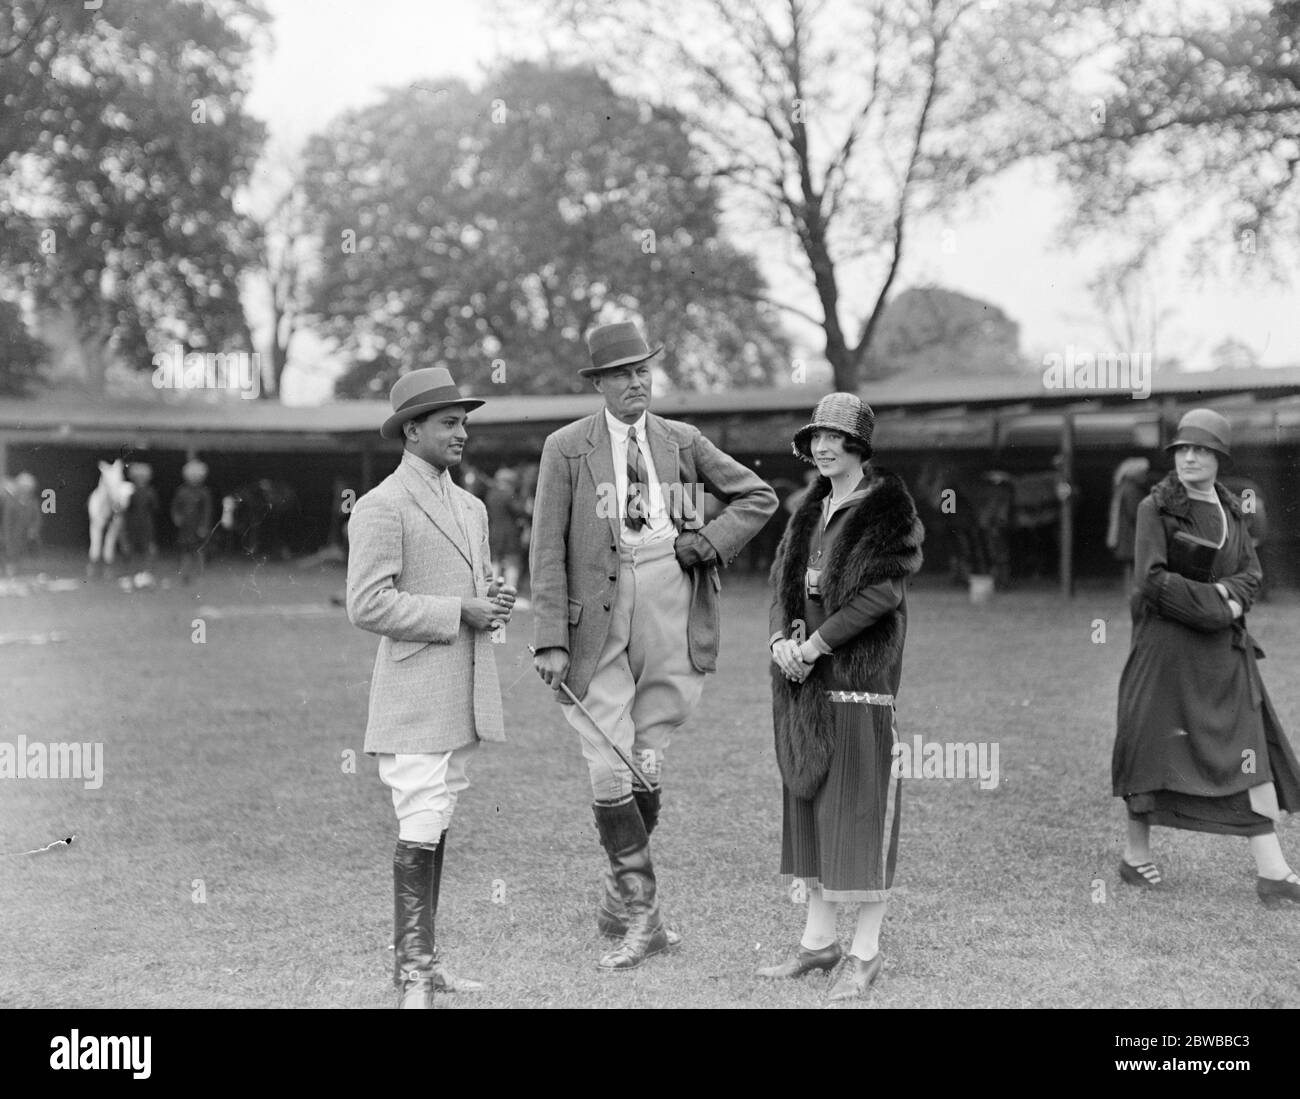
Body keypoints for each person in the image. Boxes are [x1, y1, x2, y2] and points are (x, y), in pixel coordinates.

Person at [530, 320, 777, 971]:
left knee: (647, 753)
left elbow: (758, 495)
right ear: (600, 383)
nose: (636, 381)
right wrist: (550, 638)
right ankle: (643, 916)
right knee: (607, 754)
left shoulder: (682, 440)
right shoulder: (566, 447)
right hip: (598, 613)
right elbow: (546, 548)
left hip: (672, 597)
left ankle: (622, 899)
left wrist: (708, 541)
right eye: (621, 373)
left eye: (643, 370)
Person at [347, 367, 516, 1008]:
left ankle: (424, 963)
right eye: (449, 422)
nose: (462, 433)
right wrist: (458, 611)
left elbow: (468, 590)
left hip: (464, 687)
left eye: (464, 421)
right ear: (411, 431)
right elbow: (366, 604)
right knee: (420, 817)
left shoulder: (470, 506)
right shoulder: (381, 505)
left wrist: (487, 599)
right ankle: (414, 974)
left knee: (437, 816)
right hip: (416, 690)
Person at [758, 393, 924, 1001]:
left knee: (859, 814)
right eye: (817, 437)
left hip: (857, 684)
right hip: (804, 685)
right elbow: (782, 583)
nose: (824, 447)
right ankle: (818, 944)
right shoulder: (808, 506)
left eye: (836, 437)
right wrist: (781, 639)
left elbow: (882, 595)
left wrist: (817, 645)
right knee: (814, 812)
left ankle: (865, 954)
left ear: (859, 445)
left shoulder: (888, 508)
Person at [1112, 409, 1300, 906]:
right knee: (1151, 747)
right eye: (1182, 449)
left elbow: (1250, 572)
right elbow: (1151, 582)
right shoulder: (1157, 508)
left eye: (1201, 449)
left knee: (1247, 748)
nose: (1190, 457)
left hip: (1222, 656)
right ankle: (1134, 856)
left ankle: (1273, 871)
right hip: (1166, 651)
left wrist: (1231, 601)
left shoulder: (1232, 509)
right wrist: (1218, 606)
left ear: (1219, 457)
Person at [1106, 456, 1150, 592]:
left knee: (1130, 566)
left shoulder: (1124, 487)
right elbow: (1135, 512)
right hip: (1131, 534)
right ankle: (1134, 591)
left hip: (1126, 533)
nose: (1146, 476)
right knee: (1136, 564)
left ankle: (1130, 591)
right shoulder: (1132, 489)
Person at [171, 460, 213, 584]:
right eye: (192, 476)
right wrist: (176, 517)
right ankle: (185, 573)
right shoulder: (181, 491)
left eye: (197, 476)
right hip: (185, 527)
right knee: (185, 550)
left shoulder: (204, 493)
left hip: (198, 526)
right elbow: (175, 507)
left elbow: (207, 511)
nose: (194, 479)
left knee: (199, 550)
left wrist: (204, 526)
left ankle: (200, 573)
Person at [1, 472, 41, 578]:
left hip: (24, 534)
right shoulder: (11, 502)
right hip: (11, 533)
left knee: (20, 551)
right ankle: (9, 567)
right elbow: (7, 522)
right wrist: (6, 537)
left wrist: (33, 529)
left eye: (29, 488)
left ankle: (15, 567)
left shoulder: (33, 502)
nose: (26, 490)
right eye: (24, 487)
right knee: (9, 549)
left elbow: (36, 518)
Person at [123, 463, 160, 572]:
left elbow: (155, 507)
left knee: (147, 547)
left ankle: (147, 570)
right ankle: (130, 570)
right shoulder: (130, 491)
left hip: (146, 523)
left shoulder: (150, 492)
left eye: (142, 477)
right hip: (133, 523)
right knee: (131, 547)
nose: (140, 480)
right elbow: (127, 508)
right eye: (138, 478)